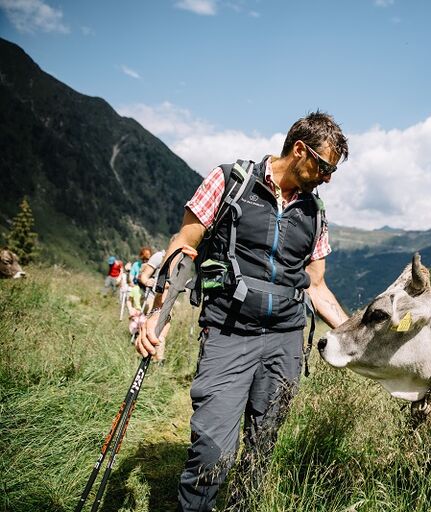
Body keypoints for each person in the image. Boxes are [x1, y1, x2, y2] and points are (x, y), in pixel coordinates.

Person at [136, 111, 350, 512]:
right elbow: (184, 244)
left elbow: (316, 286)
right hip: (229, 333)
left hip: (285, 341)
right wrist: (158, 317)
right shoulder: (230, 181)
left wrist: (357, 337)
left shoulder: (315, 213)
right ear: (299, 150)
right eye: (324, 167)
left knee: (262, 448)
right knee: (212, 453)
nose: (328, 178)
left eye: (333, 171)